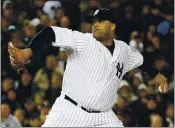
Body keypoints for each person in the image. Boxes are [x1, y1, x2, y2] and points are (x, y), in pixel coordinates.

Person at [8, 8, 168, 127]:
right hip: (69, 111)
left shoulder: (123, 50)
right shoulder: (84, 41)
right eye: (94, 21)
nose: (95, 25)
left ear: (112, 26)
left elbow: (141, 60)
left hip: (103, 117)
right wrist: (29, 50)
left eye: (100, 21)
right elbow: (51, 32)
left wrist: (157, 76)